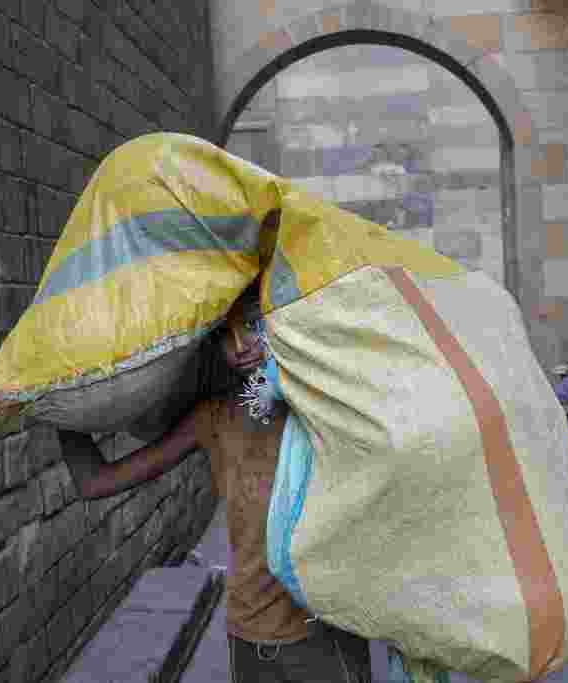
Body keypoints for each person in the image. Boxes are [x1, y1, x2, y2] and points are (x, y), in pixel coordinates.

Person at [58, 280, 373, 683]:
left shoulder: (323, 412)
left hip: (322, 639)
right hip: (246, 639)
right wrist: (55, 401)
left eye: (255, 324)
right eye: (226, 334)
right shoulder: (215, 419)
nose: (240, 344)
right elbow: (95, 482)